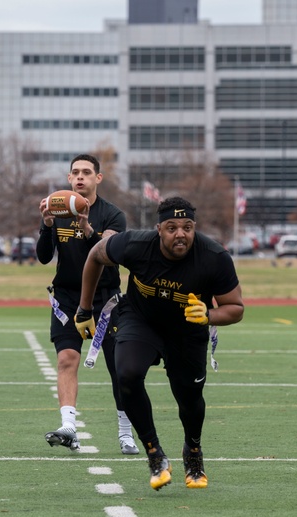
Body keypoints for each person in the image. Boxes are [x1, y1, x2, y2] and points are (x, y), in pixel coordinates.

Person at [74, 197, 244, 490]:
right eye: (172, 227)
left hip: (188, 331)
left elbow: (236, 307)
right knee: (126, 374)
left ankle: (192, 451)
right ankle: (154, 453)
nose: (181, 234)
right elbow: (95, 257)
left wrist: (209, 315)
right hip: (142, 321)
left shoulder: (214, 256)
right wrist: (84, 309)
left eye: (187, 227)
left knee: (189, 398)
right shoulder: (135, 245)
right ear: (158, 229)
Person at [36, 154, 138, 455]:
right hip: (67, 297)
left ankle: (125, 432)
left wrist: (88, 230)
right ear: (69, 179)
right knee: (67, 359)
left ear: (98, 178)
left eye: (86, 172)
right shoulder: (57, 207)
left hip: (105, 300)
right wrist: (46, 225)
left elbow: (111, 256)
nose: (80, 177)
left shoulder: (112, 214)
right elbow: (43, 257)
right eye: (75, 173)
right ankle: (69, 428)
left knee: (120, 369)